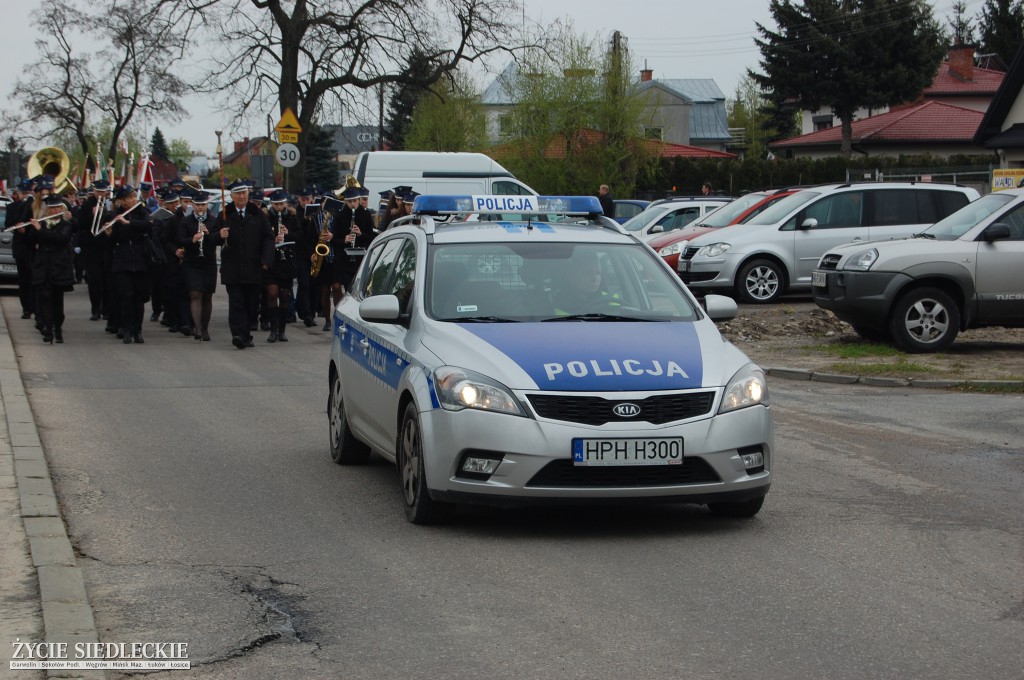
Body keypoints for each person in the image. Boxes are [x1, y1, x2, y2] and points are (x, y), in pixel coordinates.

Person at [211, 180, 274, 349]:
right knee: (236, 302)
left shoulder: (257, 213)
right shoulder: (225, 214)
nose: (242, 197)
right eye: (238, 194)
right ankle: (237, 334)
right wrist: (220, 234)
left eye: (244, 193)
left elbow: (268, 237)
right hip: (233, 267)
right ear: (232, 196)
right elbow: (211, 237)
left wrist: (266, 260)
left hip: (253, 266)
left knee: (251, 303)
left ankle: (247, 334)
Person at [23, 195, 75, 343]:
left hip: (59, 265)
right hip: (43, 265)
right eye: (52, 208)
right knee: (45, 296)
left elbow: (60, 239)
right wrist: (24, 232)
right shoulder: (42, 223)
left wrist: (40, 231)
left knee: (57, 300)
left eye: (57, 208)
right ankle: (48, 329)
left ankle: (57, 328)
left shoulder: (66, 224)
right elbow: (31, 240)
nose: (55, 210)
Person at [107, 185, 153, 344]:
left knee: (139, 298)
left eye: (135, 196)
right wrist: (109, 233)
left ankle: (137, 330)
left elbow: (148, 225)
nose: (134, 199)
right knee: (127, 296)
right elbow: (113, 242)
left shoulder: (142, 212)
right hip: (123, 260)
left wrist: (129, 223)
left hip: (141, 259)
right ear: (122, 201)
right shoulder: (115, 215)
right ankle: (126, 329)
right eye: (130, 197)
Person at [176, 190, 217, 341]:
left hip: (208, 262)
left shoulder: (213, 221)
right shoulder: (186, 222)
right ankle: (197, 328)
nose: (200, 208)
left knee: (207, 295)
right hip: (191, 262)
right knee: (195, 293)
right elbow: (180, 239)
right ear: (192, 205)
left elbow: (218, 240)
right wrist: (192, 239)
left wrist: (209, 235)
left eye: (203, 205)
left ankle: (205, 328)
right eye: (198, 205)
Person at [263, 189, 297, 342]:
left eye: (281, 204)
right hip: (272, 261)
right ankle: (272, 330)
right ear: (271, 204)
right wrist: (273, 241)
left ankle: (282, 330)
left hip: (286, 262)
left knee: (284, 296)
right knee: (272, 293)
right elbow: (261, 238)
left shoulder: (291, 217)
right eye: (276, 204)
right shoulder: (266, 218)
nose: (279, 207)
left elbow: (300, 237)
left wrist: (288, 234)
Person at [552, 250, 618, 316]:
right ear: (571, 275)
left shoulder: (612, 300)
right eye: (588, 273)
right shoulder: (556, 308)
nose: (595, 279)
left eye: (598, 273)